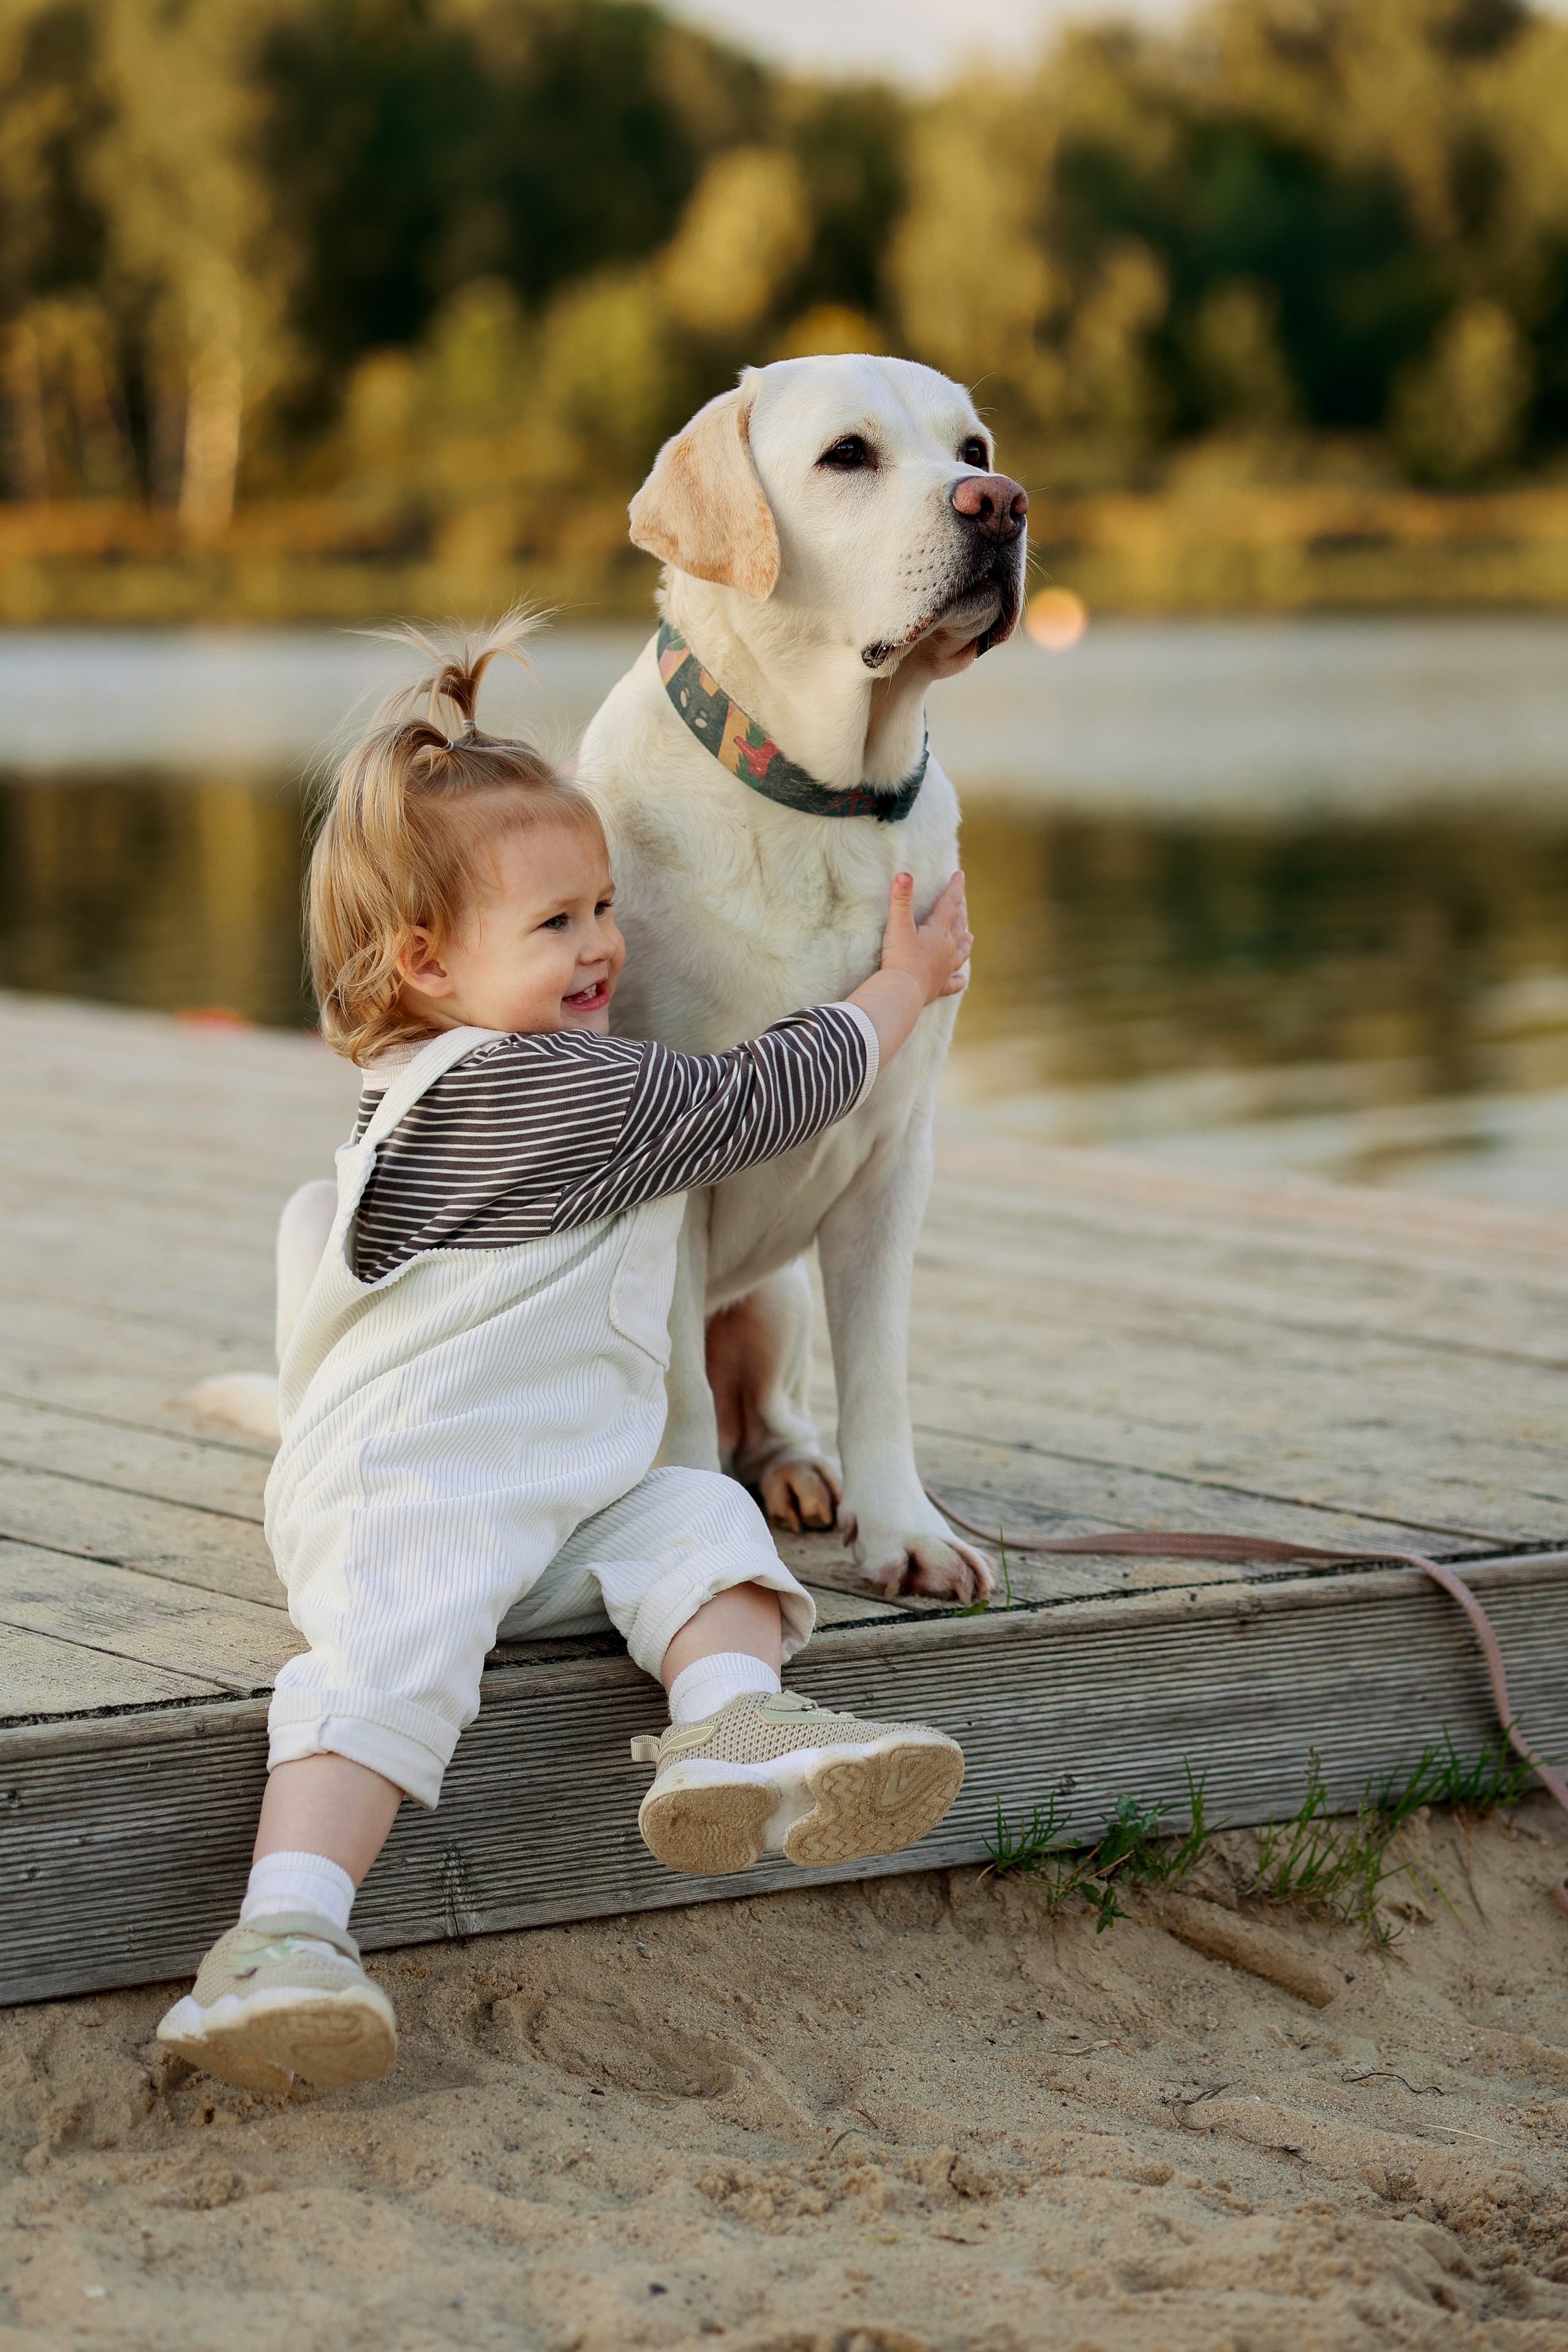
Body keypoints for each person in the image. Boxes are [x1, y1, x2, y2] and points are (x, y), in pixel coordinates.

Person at [157, 615, 973, 2097]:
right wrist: (898, 990)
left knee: (700, 1518)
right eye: (554, 927)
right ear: (423, 964)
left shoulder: (494, 1073)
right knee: (386, 1672)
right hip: (415, 1498)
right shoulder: (522, 1092)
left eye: (604, 904)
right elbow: (752, 1098)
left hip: (555, 1494)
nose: (604, 944)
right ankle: (277, 1939)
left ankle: (733, 1724)